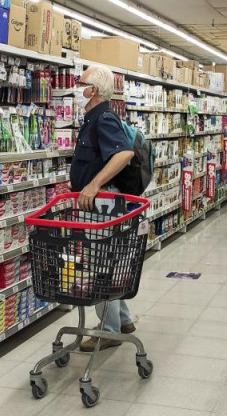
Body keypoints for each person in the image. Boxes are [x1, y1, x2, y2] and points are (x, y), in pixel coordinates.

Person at [70, 64, 136, 352]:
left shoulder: (103, 118)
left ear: (92, 90)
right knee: (108, 260)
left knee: (101, 264)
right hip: (97, 201)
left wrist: (94, 184)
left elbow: (124, 153)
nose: (75, 87)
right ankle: (122, 320)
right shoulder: (92, 118)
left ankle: (108, 330)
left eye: (79, 82)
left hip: (102, 202)